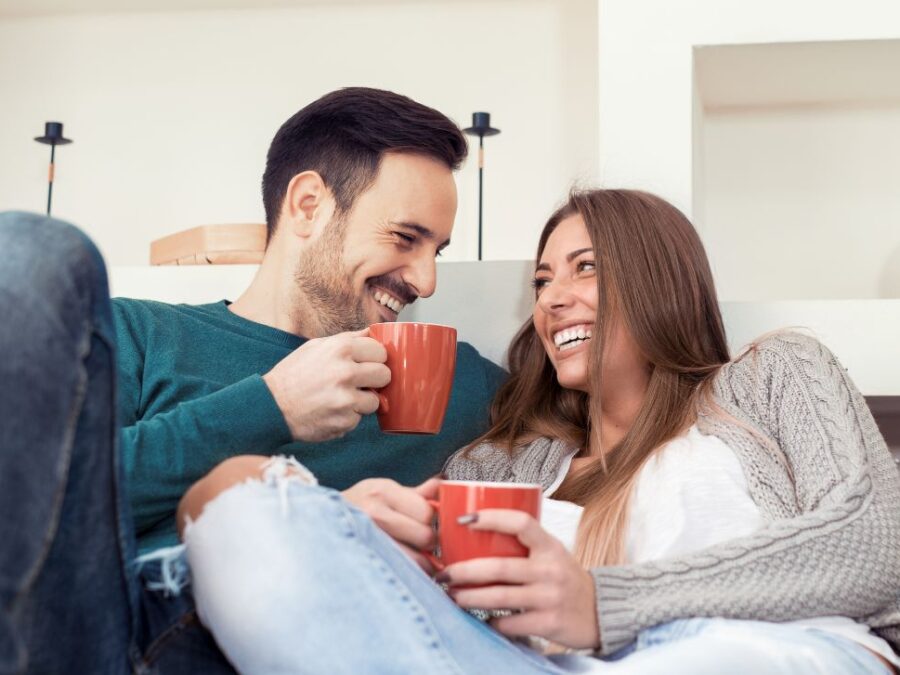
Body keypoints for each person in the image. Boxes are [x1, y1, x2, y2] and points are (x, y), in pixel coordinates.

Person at [178, 189, 900, 674]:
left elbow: (874, 545)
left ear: (661, 279)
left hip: (767, 653)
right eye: (543, 281)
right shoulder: (504, 464)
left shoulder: (769, 375)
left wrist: (601, 603)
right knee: (236, 498)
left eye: (585, 268)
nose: (554, 299)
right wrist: (372, 538)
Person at [0, 87, 505, 674]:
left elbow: (606, 428)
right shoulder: (139, 334)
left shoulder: (452, 376)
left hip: (302, 642)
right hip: (111, 632)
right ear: (309, 204)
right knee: (33, 250)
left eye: (437, 250)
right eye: (405, 238)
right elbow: (48, 507)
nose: (427, 279)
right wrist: (272, 408)